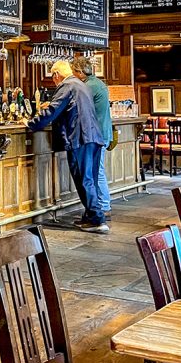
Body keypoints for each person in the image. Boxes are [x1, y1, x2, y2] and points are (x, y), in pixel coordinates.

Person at [27, 60, 108, 233]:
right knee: (91, 179)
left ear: (56, 74)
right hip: (94, 136)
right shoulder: (81, 84)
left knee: (84, 179)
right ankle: (90, 216)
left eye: (52, 77)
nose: (53, 80)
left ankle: (97, 219)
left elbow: (52, 111)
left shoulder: (67, 86)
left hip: (80, 137)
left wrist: (31, 123)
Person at [72, 55, 113, 223]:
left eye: (74, 72)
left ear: (80, 72)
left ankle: (103, 206)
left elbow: (77, 107)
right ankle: (102, 205)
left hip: (97, 134)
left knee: (97, 172)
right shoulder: (97, 83)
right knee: (98, 171)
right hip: (102, 132)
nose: (73, 75)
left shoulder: (88, 86)